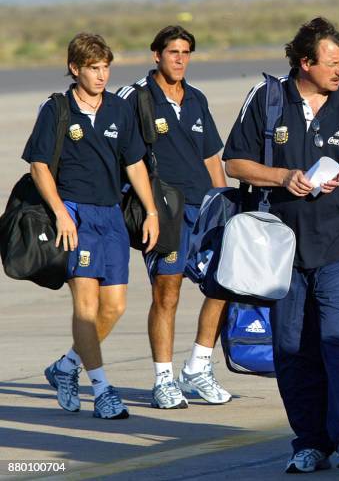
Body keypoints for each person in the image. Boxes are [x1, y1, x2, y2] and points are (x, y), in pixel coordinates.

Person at [223, 17, 339, 473]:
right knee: (292, 347)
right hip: (279, 249)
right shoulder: (267, 99)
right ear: (305, 62)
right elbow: (233, 161)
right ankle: (310, 441)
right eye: (332, 63)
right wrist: (282, 177)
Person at [28, 33, 159, 419]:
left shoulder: (119, 109)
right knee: (86, 307)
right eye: (94, 68)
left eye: (106, 68)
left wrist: (151, 211)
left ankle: (66, 367)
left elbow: (134, 163)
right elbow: (38, 166)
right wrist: (61, 213)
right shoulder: (56, 109)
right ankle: (102, 390)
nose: (101, 76)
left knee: (114, 307)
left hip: (111, 216)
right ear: (75, 69)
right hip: (74, 215)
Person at [117, 26, 230, 409]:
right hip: (164, 211)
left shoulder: (196, 98)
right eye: (173, 52)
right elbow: (118, 156)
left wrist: (227, 209)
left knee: (222, 286)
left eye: (186, 52)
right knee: (167, 291)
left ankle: (199, 366)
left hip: (205, 208)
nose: (180, 59)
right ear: (156, 55)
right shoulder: (134, 97)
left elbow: (213, 158)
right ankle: (163, 379)